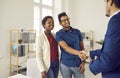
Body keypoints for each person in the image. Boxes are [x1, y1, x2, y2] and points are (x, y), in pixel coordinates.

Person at [81, 0, 120, 78]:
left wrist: (90, 62)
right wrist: (89, 53)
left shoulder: (116, 21)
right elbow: (112, 50)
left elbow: (108, 61)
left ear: (110, 2)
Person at [55, 12, 86, 78]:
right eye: (63, 20)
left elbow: (82, 48)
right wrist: (80, 53)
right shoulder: (58, 34)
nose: (66, 21)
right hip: (65, 65)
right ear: (60, 23)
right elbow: (66, 48)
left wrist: (83, 62)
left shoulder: (77, 32)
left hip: (78, 64)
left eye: (67, 19)